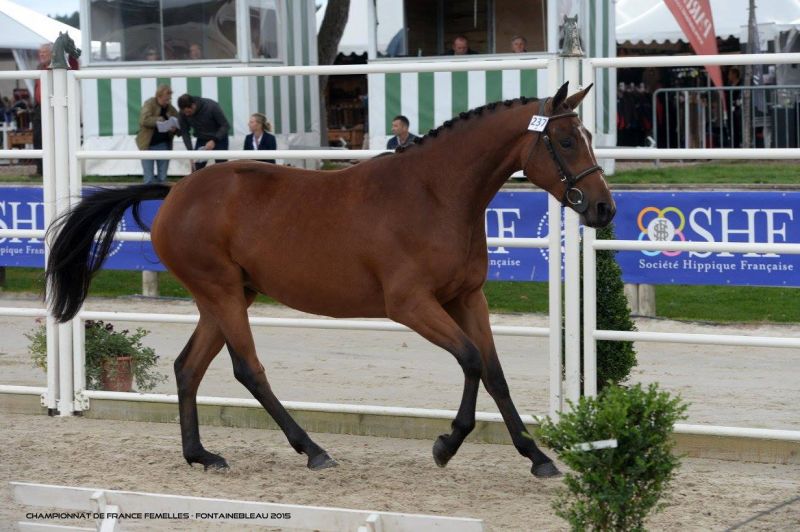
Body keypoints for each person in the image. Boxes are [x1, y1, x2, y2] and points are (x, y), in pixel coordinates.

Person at [136, 85, 179, 183]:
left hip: (164, 144)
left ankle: (162, 197)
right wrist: (159, 120)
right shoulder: (149, 104)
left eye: (169, 99)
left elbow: (178, 122)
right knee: (149, 178)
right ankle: (148, 197)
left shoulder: (171, 108)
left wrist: (174, 129)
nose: (168, 101)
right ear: (158, 96)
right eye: (166, 99)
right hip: (147, 145)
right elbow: (143, 120)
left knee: (163, 178)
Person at [177, 93, 230, 170]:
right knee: (196, 169)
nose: (187, 115)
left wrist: (214, 140)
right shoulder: (183, 113)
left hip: (219, 139)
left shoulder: (212, 106)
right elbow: (185, 133)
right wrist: (190, 153)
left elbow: (225, 125)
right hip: (201, 139)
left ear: (193, 105)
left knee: (222, 169)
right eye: (185, 113)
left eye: (188, 112)